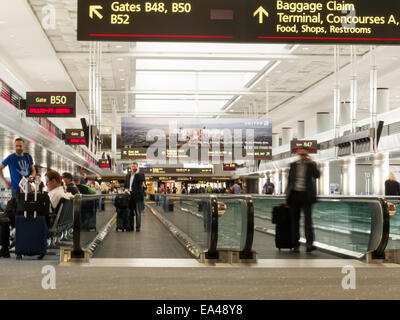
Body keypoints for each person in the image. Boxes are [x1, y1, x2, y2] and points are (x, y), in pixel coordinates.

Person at [285, 147, 320, 253]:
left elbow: (317, 175)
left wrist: (312, 162)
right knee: (295, 221)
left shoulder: (311, 165)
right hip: (294, 195)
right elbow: (290, 182)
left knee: (308, 221)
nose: (303, 156)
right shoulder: (293, 165)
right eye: (301, 154)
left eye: (304, 154)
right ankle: (295, 245)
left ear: (307, 155)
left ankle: (309, 244)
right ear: (298, 154)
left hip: (306, 196)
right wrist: (286, 198)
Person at [124, 162, 145, 232]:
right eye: (132, 166)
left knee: (138, 212)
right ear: (131, 167)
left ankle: (138, 227)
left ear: (137, 167)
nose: (133, 168)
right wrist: (126, 190)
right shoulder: (127, 175)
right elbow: (126, 185)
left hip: (138, 196)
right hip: (130, 196)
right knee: (130, 212)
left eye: (135, 166)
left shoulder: (141, 175)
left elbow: (141, 181)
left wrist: (137, 172)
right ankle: (131, 227)